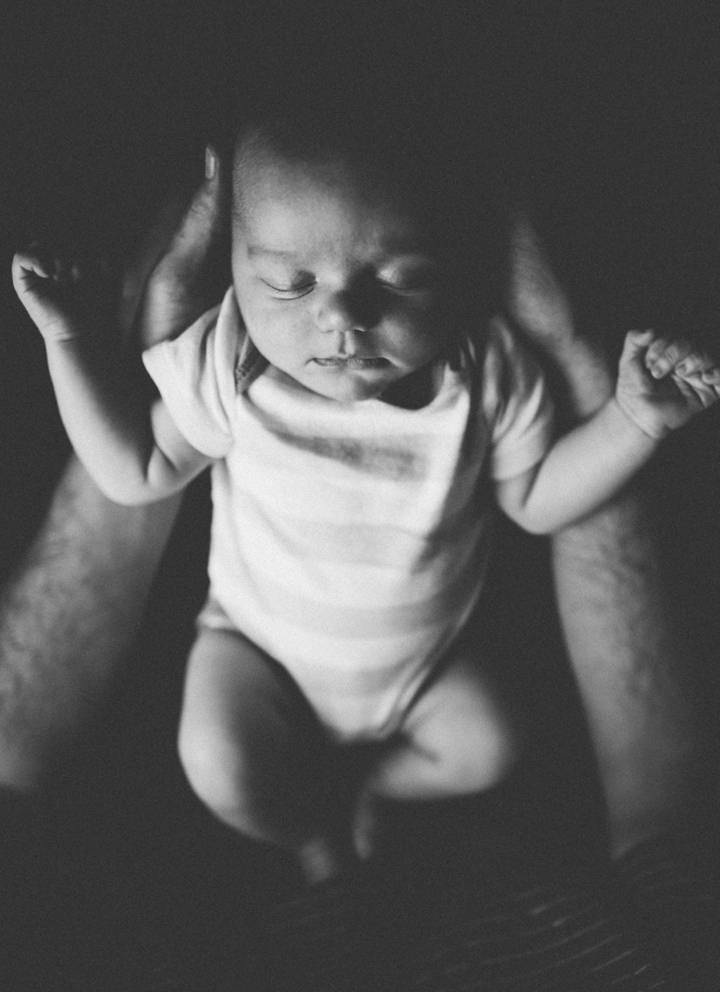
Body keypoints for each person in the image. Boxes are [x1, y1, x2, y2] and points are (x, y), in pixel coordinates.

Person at [12, 83, 720, 885]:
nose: (343, 316)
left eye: (402, 277)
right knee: (216, 761)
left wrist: (635, 421)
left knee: (492, 745)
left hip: (421, 677)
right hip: (255, 653)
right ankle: (307, 833)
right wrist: (69, 341)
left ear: (461, 266)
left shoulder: (483, 372)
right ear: (234, 274)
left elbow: (541, 499)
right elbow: (134, 472)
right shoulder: (231, 366)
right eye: (290, 283)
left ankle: (380, 788)